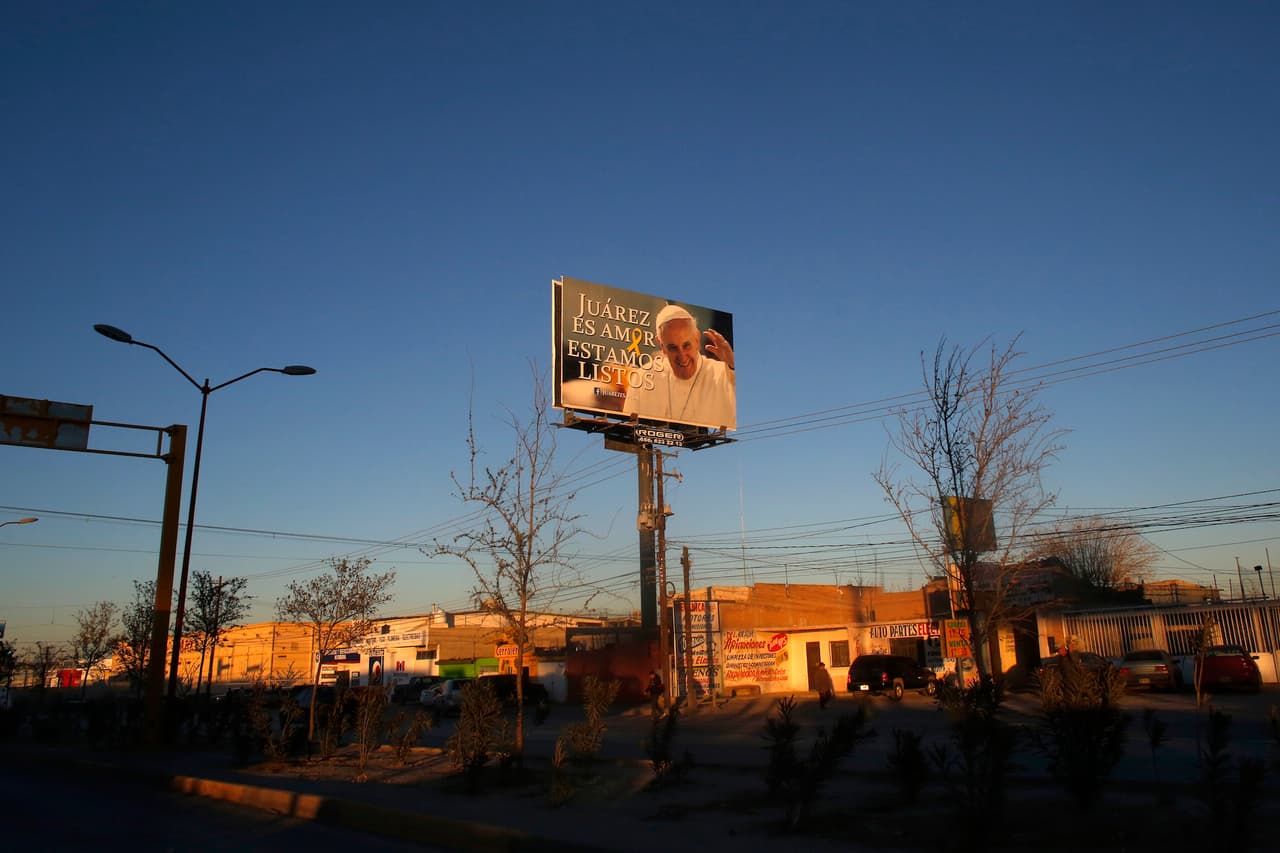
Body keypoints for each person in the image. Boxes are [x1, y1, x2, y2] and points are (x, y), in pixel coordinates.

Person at [624, 304, 736, 430]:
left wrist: (732, 363)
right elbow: (630, 429)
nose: (682, 357)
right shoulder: (643, 378)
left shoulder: (723, 374)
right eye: (673, 348)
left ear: (697, 339)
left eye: (686, 345)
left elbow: (745, 398)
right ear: (662, 345)